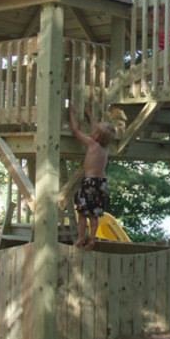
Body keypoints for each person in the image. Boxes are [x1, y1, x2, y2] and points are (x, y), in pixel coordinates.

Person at [69, 104, 116, 250]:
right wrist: (90, 115)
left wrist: (72, 114)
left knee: (82, 213)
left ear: (97, 136)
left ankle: (81, 238)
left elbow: (76, 131)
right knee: (94, 215)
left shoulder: (92, 143)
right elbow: (97, 127)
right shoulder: (105, 147)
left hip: (89, 182)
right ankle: (92, 239)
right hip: (102, 183)